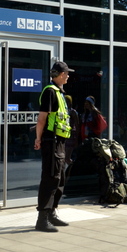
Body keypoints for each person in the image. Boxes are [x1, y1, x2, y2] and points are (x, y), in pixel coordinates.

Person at [33, 61, 74, 233]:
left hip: (60, 141)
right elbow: (42, 118)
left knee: (59, 179)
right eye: (66, 73)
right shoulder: (50, 92)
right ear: (59, 74)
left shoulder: (59, 92)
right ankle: (42, 219)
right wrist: (38, 138)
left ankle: (51, 213)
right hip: (51, 141)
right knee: (50, 178)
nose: (68, 76)